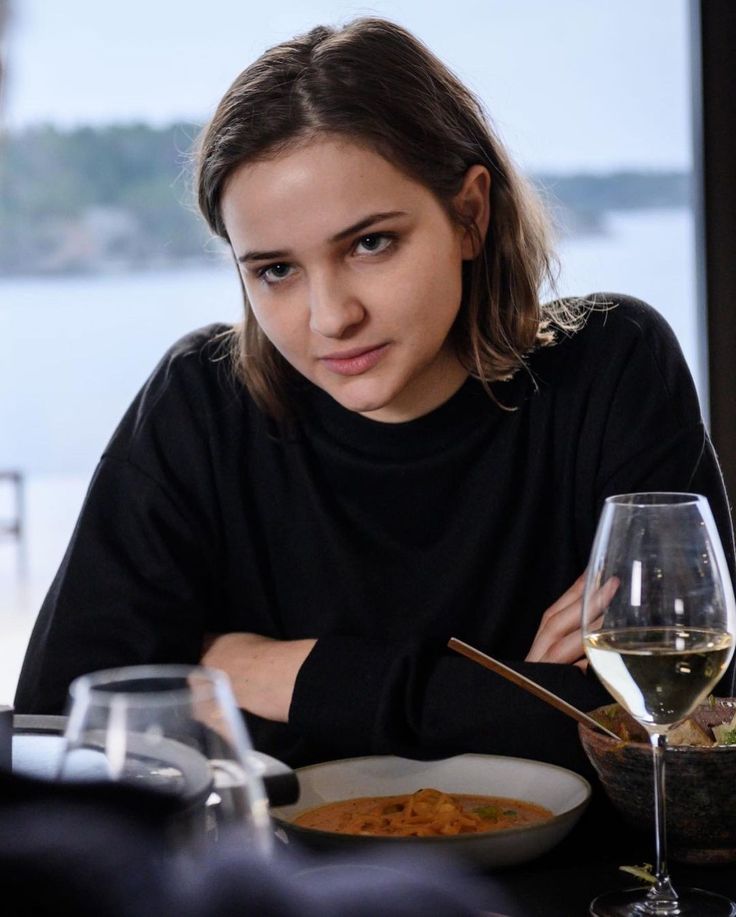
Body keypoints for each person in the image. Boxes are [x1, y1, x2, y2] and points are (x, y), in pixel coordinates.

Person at [13, 17, 735, 776]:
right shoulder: (200, 406)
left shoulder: (612, 366)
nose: (331, 317)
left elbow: (687, 735)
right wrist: (511, 696)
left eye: (370, 243)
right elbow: (60, 732)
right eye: (275, 271)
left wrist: (282, 675)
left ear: (470, 215)